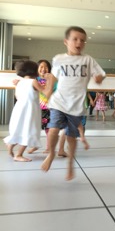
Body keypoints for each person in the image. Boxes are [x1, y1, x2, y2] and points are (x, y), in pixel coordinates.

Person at [41, 26, 105, 180]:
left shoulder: (87, 60)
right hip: (58, 102)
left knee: (71, 135)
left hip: (76, 106)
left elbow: (101, 74)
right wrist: (47, 93)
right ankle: (51, 154)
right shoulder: (58, 59)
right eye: (75, 39)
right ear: (66, 41)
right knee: (54, 129)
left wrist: (98, 79)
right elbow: (53, 77)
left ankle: (70, 162)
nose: (79, 42)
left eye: (82, 40)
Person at [4, 60, 54, 162]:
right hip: (30, 110)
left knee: (19, 129)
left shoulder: (20, 82)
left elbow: (17, 96)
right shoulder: (33, 81)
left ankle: (10, 145)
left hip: (19, 109)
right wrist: (51, 81)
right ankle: (19, 155)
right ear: (34, 71)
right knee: (29, 131)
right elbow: (46, 93)